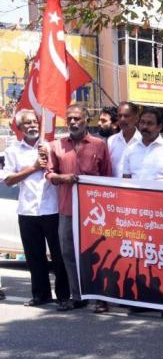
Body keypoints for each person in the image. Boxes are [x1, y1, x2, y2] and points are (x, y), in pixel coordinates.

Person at [46, 104, 113, 312]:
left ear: (86, 119)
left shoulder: (99, 144)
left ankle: (101, 298)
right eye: (70, 119)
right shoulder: (56, 146)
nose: (73, 122)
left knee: (99, 254)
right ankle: (78, 296)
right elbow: (49, 174)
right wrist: (61, 178)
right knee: (68, 253)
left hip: (94, 213)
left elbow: (108, 176)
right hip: (67, 210)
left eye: (77, 118)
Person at [2, 109, 69, 308]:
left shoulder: (50, 146)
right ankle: (41, 295)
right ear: (20, 128)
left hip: (52, 209)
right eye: (27, 123)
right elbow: (8, 180)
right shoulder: (13, 150)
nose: (32, 126)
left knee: (59, 256)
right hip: (27, 211)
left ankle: (64, 296)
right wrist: (33, 168)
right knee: (34, 256)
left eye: (34, 122)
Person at [121, 107, 163, 181]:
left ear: (159, 127)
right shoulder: (130, 149)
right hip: (134, 192)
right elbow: (126, 180)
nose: (145, 127)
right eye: (142, 122)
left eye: (150, 123)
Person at [107, 102, 141, 177]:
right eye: (120, 116)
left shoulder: (142, 141)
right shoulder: (111, 141)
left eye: (126, 116)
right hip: (114, 187)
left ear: (136, 118)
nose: (122, 119)